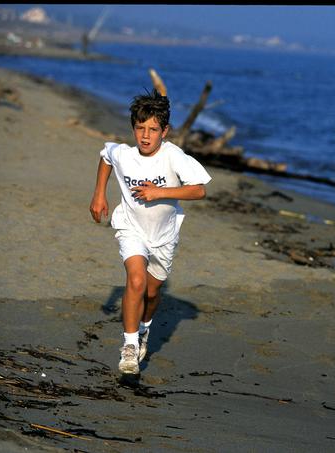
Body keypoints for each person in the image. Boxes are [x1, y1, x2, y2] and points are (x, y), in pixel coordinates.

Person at [89, 89, 211, 374]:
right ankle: (129, 346)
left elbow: (199, 189)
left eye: (153, 130)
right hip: (130, 227)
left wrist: (159, 192)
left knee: (153, 293)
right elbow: (106, 157)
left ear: (164, 131)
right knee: (135, 280)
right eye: (140, 128)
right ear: (133, 128)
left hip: (164, 236)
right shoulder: (124, 154)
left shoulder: (174, 157)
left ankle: (144, 328)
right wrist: (99, 195)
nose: (145, 136)